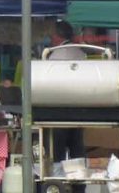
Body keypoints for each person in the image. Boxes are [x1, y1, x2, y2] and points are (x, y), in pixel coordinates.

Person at [47, 20, 86, 193]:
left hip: (59, 109)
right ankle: (79, 188)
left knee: (57, 152)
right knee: (77, 150)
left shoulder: (54, 55)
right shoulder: (80, 53)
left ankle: (57, 187)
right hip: (79, 109)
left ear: (57, 36)